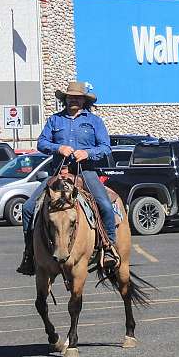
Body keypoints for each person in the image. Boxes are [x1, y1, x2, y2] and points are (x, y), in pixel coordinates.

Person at [16, 81, 117, 275]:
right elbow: (42, 143)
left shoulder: (95, 121)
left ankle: (109, 247)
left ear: (84, 100)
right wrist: (58, 148)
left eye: (77, 97)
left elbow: (105, 148)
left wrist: (87, 153)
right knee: (29, 208)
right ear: (65, 99)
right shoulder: (55, 120)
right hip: (58, 172)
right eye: (70, 97)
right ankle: (30, 253)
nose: (73, 100)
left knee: (104, 205)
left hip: (85, 172)